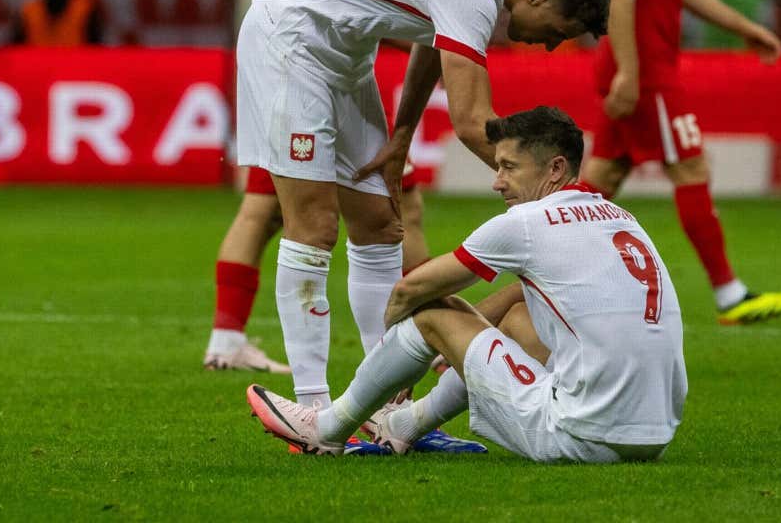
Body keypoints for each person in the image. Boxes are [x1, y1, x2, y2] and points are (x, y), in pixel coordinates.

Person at [235, 0, 609, 415]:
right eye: (557, 32)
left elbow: (439, 29)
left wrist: (404, 132)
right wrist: (559, 205)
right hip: (290, 40)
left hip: (343, 53)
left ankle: (382, 405)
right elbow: (474, 122)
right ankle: (314, 409)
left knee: (379, 225)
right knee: (315, 225)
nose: (549, 45)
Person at [248, 106, 687, 462]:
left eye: (509, 167)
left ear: (555, 168)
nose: (497, 182)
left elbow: (409, 291)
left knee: (431, 313)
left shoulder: (527, 223)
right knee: (519, 319)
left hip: (579, 435)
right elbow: (522, 293)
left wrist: (403, 357)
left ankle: (326, 427)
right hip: (654, 435)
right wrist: (456, 346)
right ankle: (402, 427)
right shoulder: (618, 217)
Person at [203, 0, 430, 374]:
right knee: (393, 208)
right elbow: (334, 5)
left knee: (263, 211)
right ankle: (423, 332)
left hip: (298, 73)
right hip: (314, 81)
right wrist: (419, 30)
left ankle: (226, 337)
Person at [580, 0, 781, 325]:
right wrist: (630, 70)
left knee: (600, 179)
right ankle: (729, 293)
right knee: (691, 167)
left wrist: (742, 26)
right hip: (645, 70)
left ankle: (534, 274)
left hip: (642, 67)